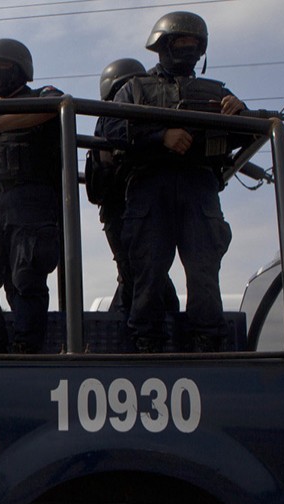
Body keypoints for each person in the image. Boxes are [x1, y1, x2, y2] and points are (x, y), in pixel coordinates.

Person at [105, 11, 246, 352]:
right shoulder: (135, 88)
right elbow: (110, 129)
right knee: (148, 272)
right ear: (163, 46)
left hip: (199, 187)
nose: (188, 48)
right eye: (181, 41)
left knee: (203, 272)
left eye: (194, 44)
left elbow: (245, 134)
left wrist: (239, 113)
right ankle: (146, 343)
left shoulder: (217, 91)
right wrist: (160, 137)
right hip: (150, 187)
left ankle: (207, 341)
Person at [0, 38, 63, 353]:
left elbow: (54, 106)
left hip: (31, 202)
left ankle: (26, 349)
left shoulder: (42, 97)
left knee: (26, 277)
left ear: (19, 69)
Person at [86, 58, 179, 315]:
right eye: (124, 89)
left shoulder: (150, 120)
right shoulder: (110, 121)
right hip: (121, 209)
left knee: (147, 273)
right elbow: (102, 177)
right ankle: (131, 329)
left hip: (147, 203)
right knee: (136, 272)